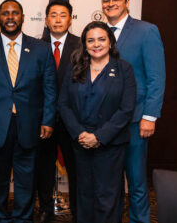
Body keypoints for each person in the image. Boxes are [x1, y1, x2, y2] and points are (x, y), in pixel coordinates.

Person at [0, 0, 57, 223]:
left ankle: (23, 218)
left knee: (26, 178)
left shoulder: (41, 49)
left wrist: (48, 120)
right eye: (5, 13)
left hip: (29, 124)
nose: (10, 17)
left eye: (14, 13)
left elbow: (50, 88)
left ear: (23, 17)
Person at [58, 21, 136, 223]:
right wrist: (79, 134)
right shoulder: (75, 68)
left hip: (110, 145)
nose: (96, 44)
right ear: (84, 44)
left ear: (110, 41)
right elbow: (64, 104)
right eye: (90, 40)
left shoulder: (123, 69)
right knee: (84, 196)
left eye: (101, 39)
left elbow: (126, 109)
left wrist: (99, 137)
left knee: (106, 197)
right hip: (81, 143)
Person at [101, 0, 166, 223]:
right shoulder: (99, 34)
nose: (110, 4)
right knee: (112, 181)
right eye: (106, 0)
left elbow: (156, 77)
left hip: (136, 120)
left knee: (137, 181)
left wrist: (150, 116)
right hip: (107, 122)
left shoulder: (146, 31)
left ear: (127, 2)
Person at [35, 0, 80, 222]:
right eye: (53, 15)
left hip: (73, 121)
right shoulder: (35, 46)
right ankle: (45, 208)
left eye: (63, 15)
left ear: (70, 19)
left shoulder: (83, 45)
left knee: (76, 168)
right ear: (46, 20)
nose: (58, 19)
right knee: (43, 168)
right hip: (44, 119)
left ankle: (78, 210)